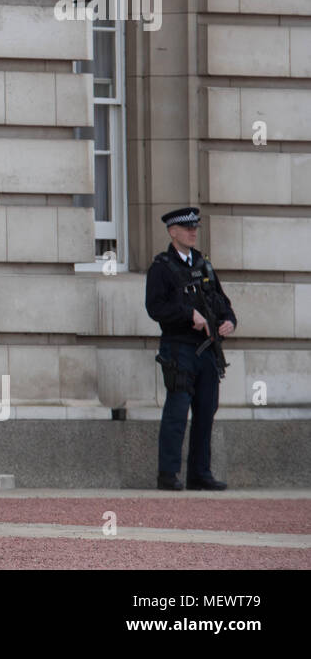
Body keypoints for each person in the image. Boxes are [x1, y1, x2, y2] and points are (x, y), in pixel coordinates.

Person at [145, 206, 236, 491]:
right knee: (177, 411)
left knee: (206, 411)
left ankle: (200, 473)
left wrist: (229, 321)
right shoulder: (161, 267)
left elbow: (222, 301)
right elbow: (155, 307)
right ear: (173, 232)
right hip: (179, 348)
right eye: (187, 229)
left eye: (195, 228)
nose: (193, 232)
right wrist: (188, 316)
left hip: (207, 349)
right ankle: (168, 475)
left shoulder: (203, 264)